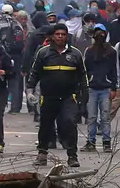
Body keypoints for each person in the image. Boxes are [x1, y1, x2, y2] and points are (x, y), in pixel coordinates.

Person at [26, 22, 87, 168]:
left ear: (67, 36)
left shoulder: (76, 54)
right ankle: (42, 155)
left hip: (68, 98)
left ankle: (72, 156)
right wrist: (29, 91)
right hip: (48, 97)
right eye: (57, 34)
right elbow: (34, 74)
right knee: (45, 126)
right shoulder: (43, 53)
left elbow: (83, 77)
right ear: (53, 36)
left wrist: (84, 98)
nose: (60, 37)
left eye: (63, 34)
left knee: (69, 123)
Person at [82, 24, 116, 153]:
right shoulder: (89, 51)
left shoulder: (111, 51)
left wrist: (113, 87)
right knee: (91, 117)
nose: (99, 35)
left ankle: (106, 143)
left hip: (106, 88)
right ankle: (91, 142)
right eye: (97, 33)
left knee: (105, 117)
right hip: (92, 88)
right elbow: (85, 70)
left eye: (102, 32)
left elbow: (113, 70)